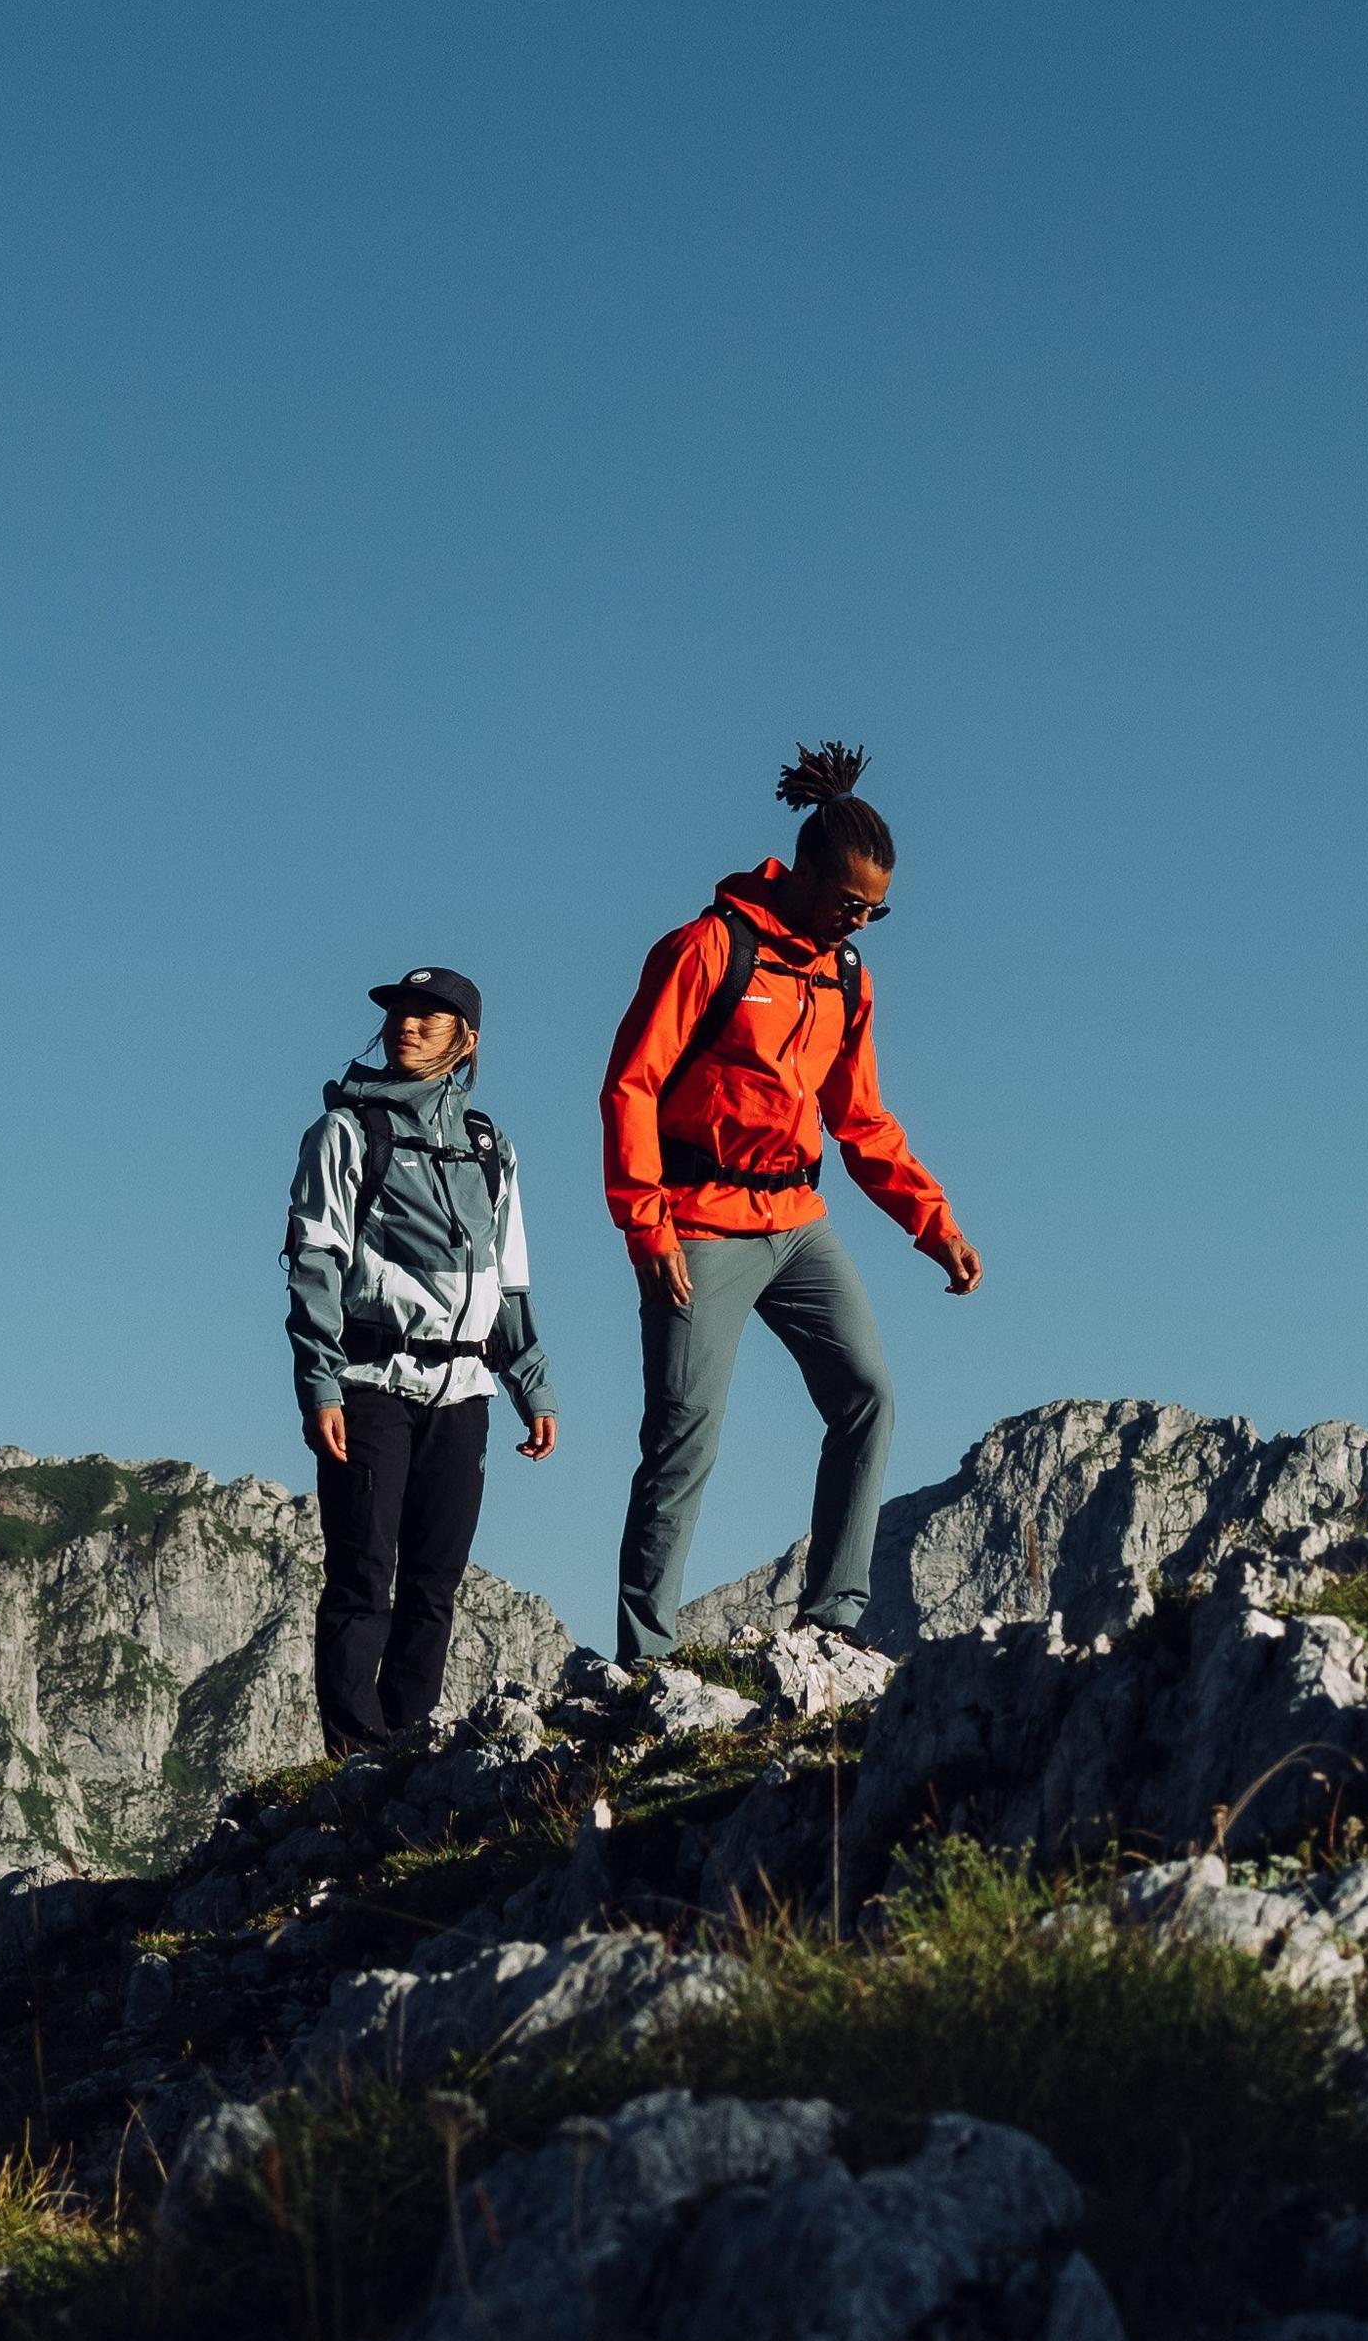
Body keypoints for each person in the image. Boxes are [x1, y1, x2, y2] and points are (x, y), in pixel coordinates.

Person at [597, 742, 980, 1663]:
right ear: (803, 873)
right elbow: (631, 1087)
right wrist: (647, 1225)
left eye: (876, 910)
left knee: (867, 1396)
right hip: (698, 1225)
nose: (862, 921)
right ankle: (645, 1660)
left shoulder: (847, 978)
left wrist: (933, 1224)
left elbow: (862, 1120)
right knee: (684, 1439)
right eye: (851, 903)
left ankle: (833, 1618)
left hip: (799, 1226)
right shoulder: (708, 950)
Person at [287, 965, 554, 1758]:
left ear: (466, 1041)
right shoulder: (345, 1133)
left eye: (428, 1018)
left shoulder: (491, 1149)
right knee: (363, 1575)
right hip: (370, 1385)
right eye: (400, 1013)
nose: (407, 1026)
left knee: (435, 1584)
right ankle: (354, 1760)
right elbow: (314, 1264)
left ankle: (403, 1751)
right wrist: (320, 1384)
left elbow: (509, 1281)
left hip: (465, 1392)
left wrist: (532, 1386)